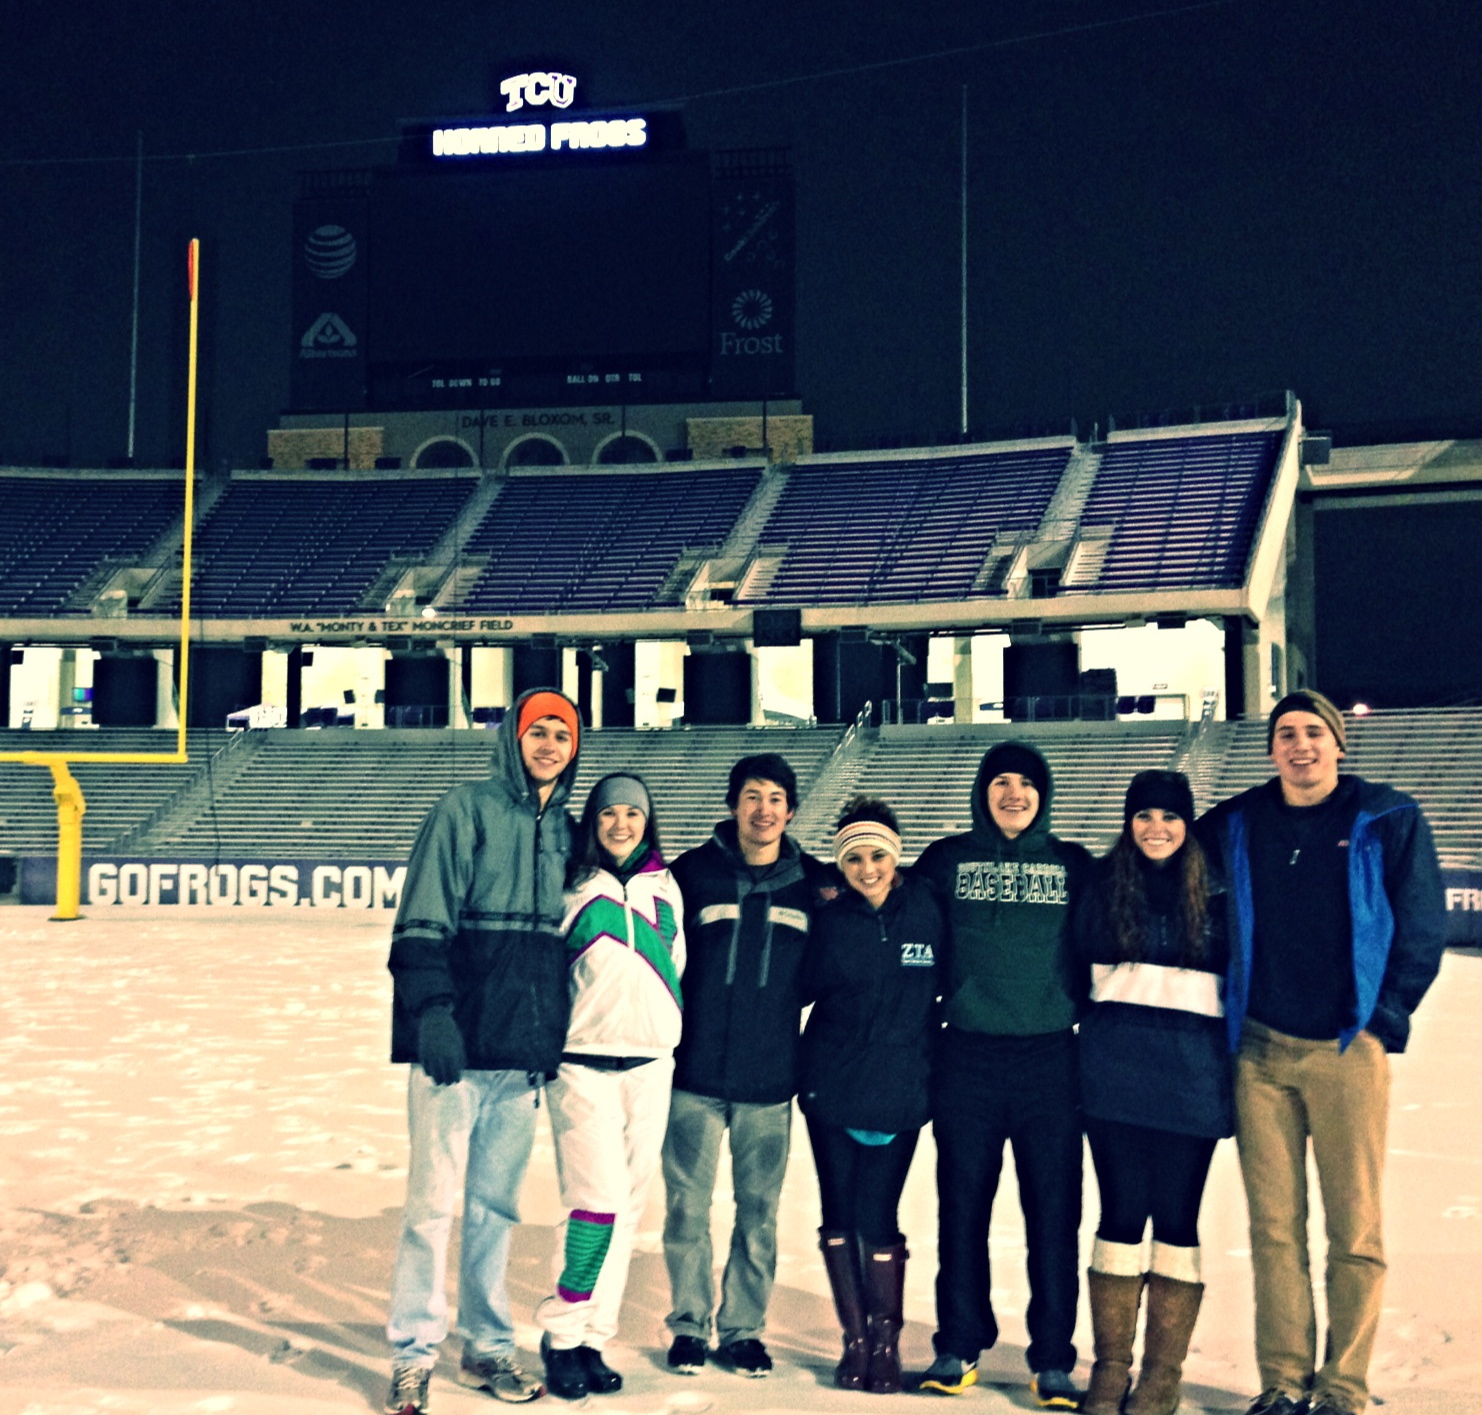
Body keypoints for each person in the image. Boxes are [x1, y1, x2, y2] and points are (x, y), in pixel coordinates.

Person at [1197, 690, 1445, 1415]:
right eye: (1285, 734)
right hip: (1260, 1050)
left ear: (1338, 743)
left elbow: (1421, 924)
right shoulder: (1239, 820)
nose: (1299, 745)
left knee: (1353, 1228)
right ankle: (1282, 1380)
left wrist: (1382, 1018)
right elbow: (1164, 855)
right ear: (1271, 749)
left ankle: (1343, 1386)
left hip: (1345, 1047)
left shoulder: (1386, 817)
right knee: (1274, 1230)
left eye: (1313, 732)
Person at [384, 688, 581, 1415]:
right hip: (455, 1050)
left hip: (519, 1054)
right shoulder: (464, 809)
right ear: (514, 738)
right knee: (430, 1207)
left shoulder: (571, 830)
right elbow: (422, 916)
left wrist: (548, 1037)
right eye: (538, 731)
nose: (550, 745)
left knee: (495, 1208)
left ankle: (488, 1345)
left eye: (562, 734)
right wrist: (433, 1012)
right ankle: (412, 1352)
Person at [912, 740, 1092, 1407]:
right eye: (1001, 782)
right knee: (962, 1207)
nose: (1013, 794)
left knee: (1054, 1213)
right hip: (969, 1056)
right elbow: (894, 906)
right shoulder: (945, 860)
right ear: (981, 792)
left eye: (1026, 784)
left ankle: (1053, 1357)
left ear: (1044, 795)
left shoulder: (1072, 864)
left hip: (1050, 1058)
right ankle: (958, 1342)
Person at [660, 751, 830, 1378]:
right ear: (733, 804)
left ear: (791, 810)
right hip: (694, 1076)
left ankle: (742, 1330)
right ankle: (688, 1324)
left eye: (776, 798)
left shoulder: (815, 884)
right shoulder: (690, 874)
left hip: (769, 1081)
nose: (764, 810)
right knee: (687, 1209)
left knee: (758, 1214)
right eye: (753, 796)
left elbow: (826, 971)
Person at [1072, 771, 1233, 1415]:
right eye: (1143, 815)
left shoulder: (1218, 892)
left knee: (1176, 1220)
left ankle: (1163, 1374)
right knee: (1118, 1216)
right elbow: (1076, 974)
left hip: (1191, 1084)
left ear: (1188, 824)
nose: (1156, 828)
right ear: (1128, 822)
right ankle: (1111, 1367)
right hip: (1114, 1080)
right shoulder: (1101, 885)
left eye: (1169, 816)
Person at [536, 773, 686, 1400]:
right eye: (608, 814)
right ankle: (562, 1334)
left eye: (633, 814)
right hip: (582, 1064)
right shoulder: (572, 886)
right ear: (592, 822)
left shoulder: (666, 888)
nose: (621, 824)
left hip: (651, 1065)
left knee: (629, 1209)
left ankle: (595, 1338)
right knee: (595, 1203)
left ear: (648, 822)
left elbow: (677, 968)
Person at [800, 796, 943, 1394]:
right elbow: (799, 986)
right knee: (838, 1212)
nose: (868, 869)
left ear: (896, 856)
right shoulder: (829, 918)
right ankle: (855, 1342)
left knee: (878, 1214)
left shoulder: (928, 910)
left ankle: (886, 1343)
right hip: (831, 1087)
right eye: (854, 858)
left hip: (901, 1090)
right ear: (840, 865)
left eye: (878, 856)